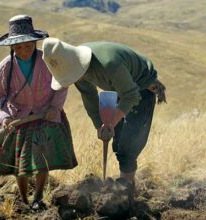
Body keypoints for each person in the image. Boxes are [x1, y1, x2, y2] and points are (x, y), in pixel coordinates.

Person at [42, 37, 166, 186]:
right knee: (118, 142)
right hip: (120, 89)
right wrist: (99, 125)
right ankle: (125, 185)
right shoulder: (74, 65)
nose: (75, 78)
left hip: (141, 89)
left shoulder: (109, 64)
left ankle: (127, 189)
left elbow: (132, 95)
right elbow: (89, 96)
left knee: (128, 145)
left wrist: (111, 123)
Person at [0, 16, 77, 210]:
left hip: (45, 116)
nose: (23, 51)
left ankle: (37, 198)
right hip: (17, 120)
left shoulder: (48, 61)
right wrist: (5, 118)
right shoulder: (6, 67)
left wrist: (54, 108)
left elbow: (62, 84)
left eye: (27, 46)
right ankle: (23, 200)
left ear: (35, 42)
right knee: (21, 166)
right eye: (18, 47)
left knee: (41, 161)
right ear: (12, 47)